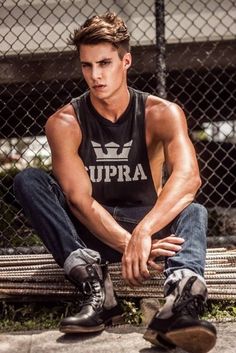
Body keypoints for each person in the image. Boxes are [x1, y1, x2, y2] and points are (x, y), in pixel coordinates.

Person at [14, 12, 217, 353]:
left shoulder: (161, 113)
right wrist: (130, 244)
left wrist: (143, 233)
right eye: (87, 65)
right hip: (91, 234)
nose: (95, 75)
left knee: (192, 210)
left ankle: (181, 306)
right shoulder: (64, 122)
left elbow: (188, 177)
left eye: (105, 63)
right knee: (29, 180)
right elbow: (79, 199)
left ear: (126, 61)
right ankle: (97, 289)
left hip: (148, 227)